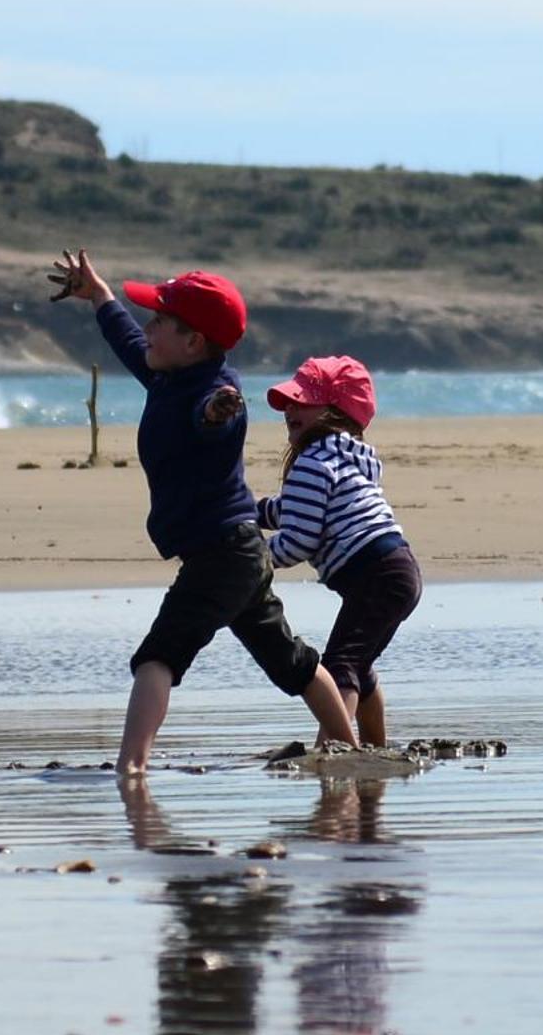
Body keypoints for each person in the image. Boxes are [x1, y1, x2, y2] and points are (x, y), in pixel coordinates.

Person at [48, 250, 355, 776]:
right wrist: (99, 296)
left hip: (222, 554)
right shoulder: (168, 376)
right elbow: (128, 340)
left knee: (157, 656)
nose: (148, 327)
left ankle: (131, 768)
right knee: (291, 661)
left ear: (193, 342)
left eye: (160, 320)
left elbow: (216, 419)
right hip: (234, 552)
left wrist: (216, 415)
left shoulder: (217, 393)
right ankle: (353, 754)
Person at [256, 355, 420, 748]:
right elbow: (295, 509)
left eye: (302, 402)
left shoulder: (312, 463)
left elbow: (298, 541)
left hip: (374, 573)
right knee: (359, 667)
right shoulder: (346, 459)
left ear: (335, 413)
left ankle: (334, 749)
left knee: (340, 665)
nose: (290, 410)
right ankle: (376, 747)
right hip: (397, 570)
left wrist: (250, 556)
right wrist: (247, 511)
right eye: (289, 403)